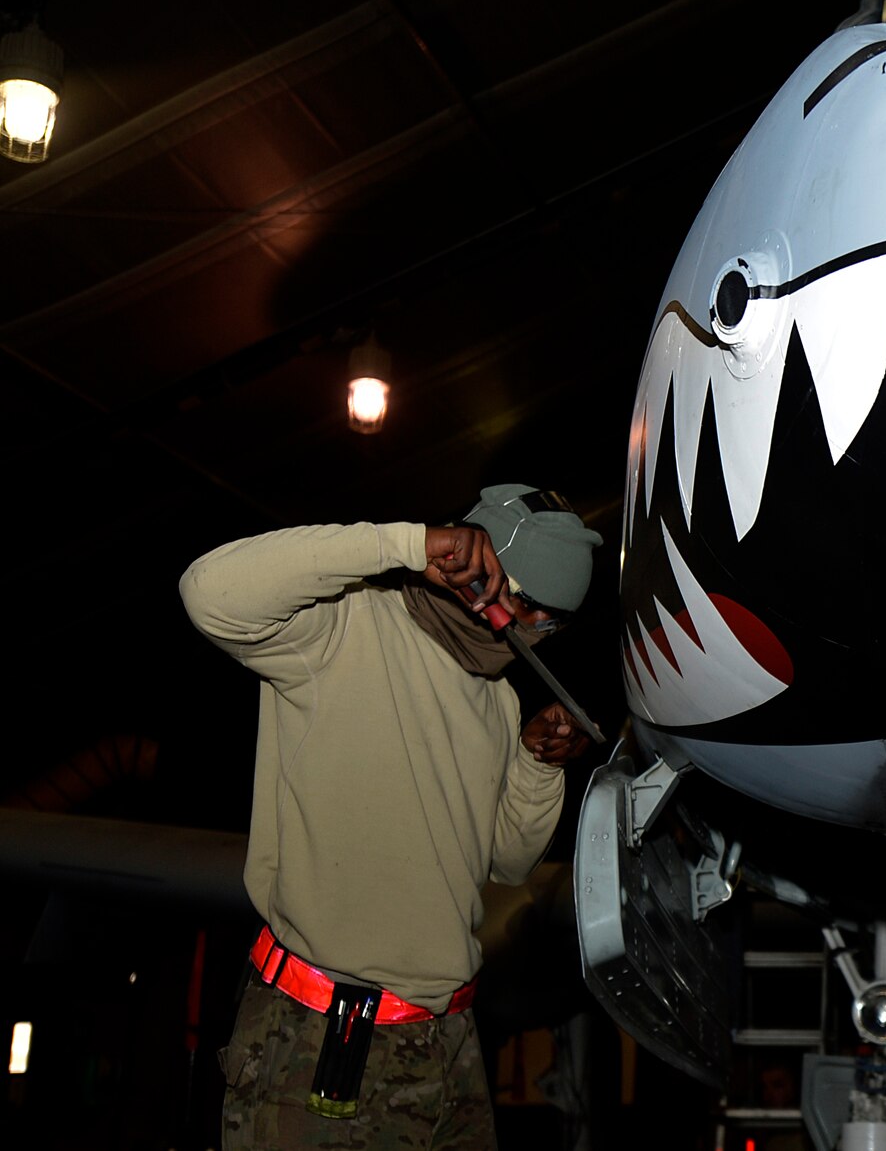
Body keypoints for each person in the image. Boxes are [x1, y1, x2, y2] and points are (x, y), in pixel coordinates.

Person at [180, 484, 605, 1149]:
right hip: (323, 1041)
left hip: (448, 1041)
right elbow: (207, 590)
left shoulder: (495, 701)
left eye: (551, 622)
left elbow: (506, 861)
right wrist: (406, 542)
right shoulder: (340, 624)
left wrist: (536, 765)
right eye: (526, 607)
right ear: (477, 568)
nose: (532, 633)